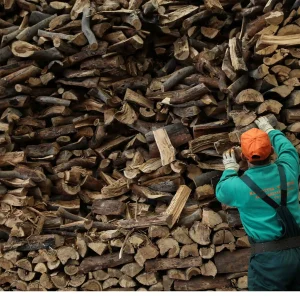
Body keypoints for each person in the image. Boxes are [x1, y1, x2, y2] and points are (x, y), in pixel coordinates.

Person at [216, 116, 300, 291]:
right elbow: (288, 149)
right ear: (271, 151)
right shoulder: (288, 169)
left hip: (269, 262)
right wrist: (269, 129)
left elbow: (221, 191)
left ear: (244, 156)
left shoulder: (239, 186)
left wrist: (230, 169)